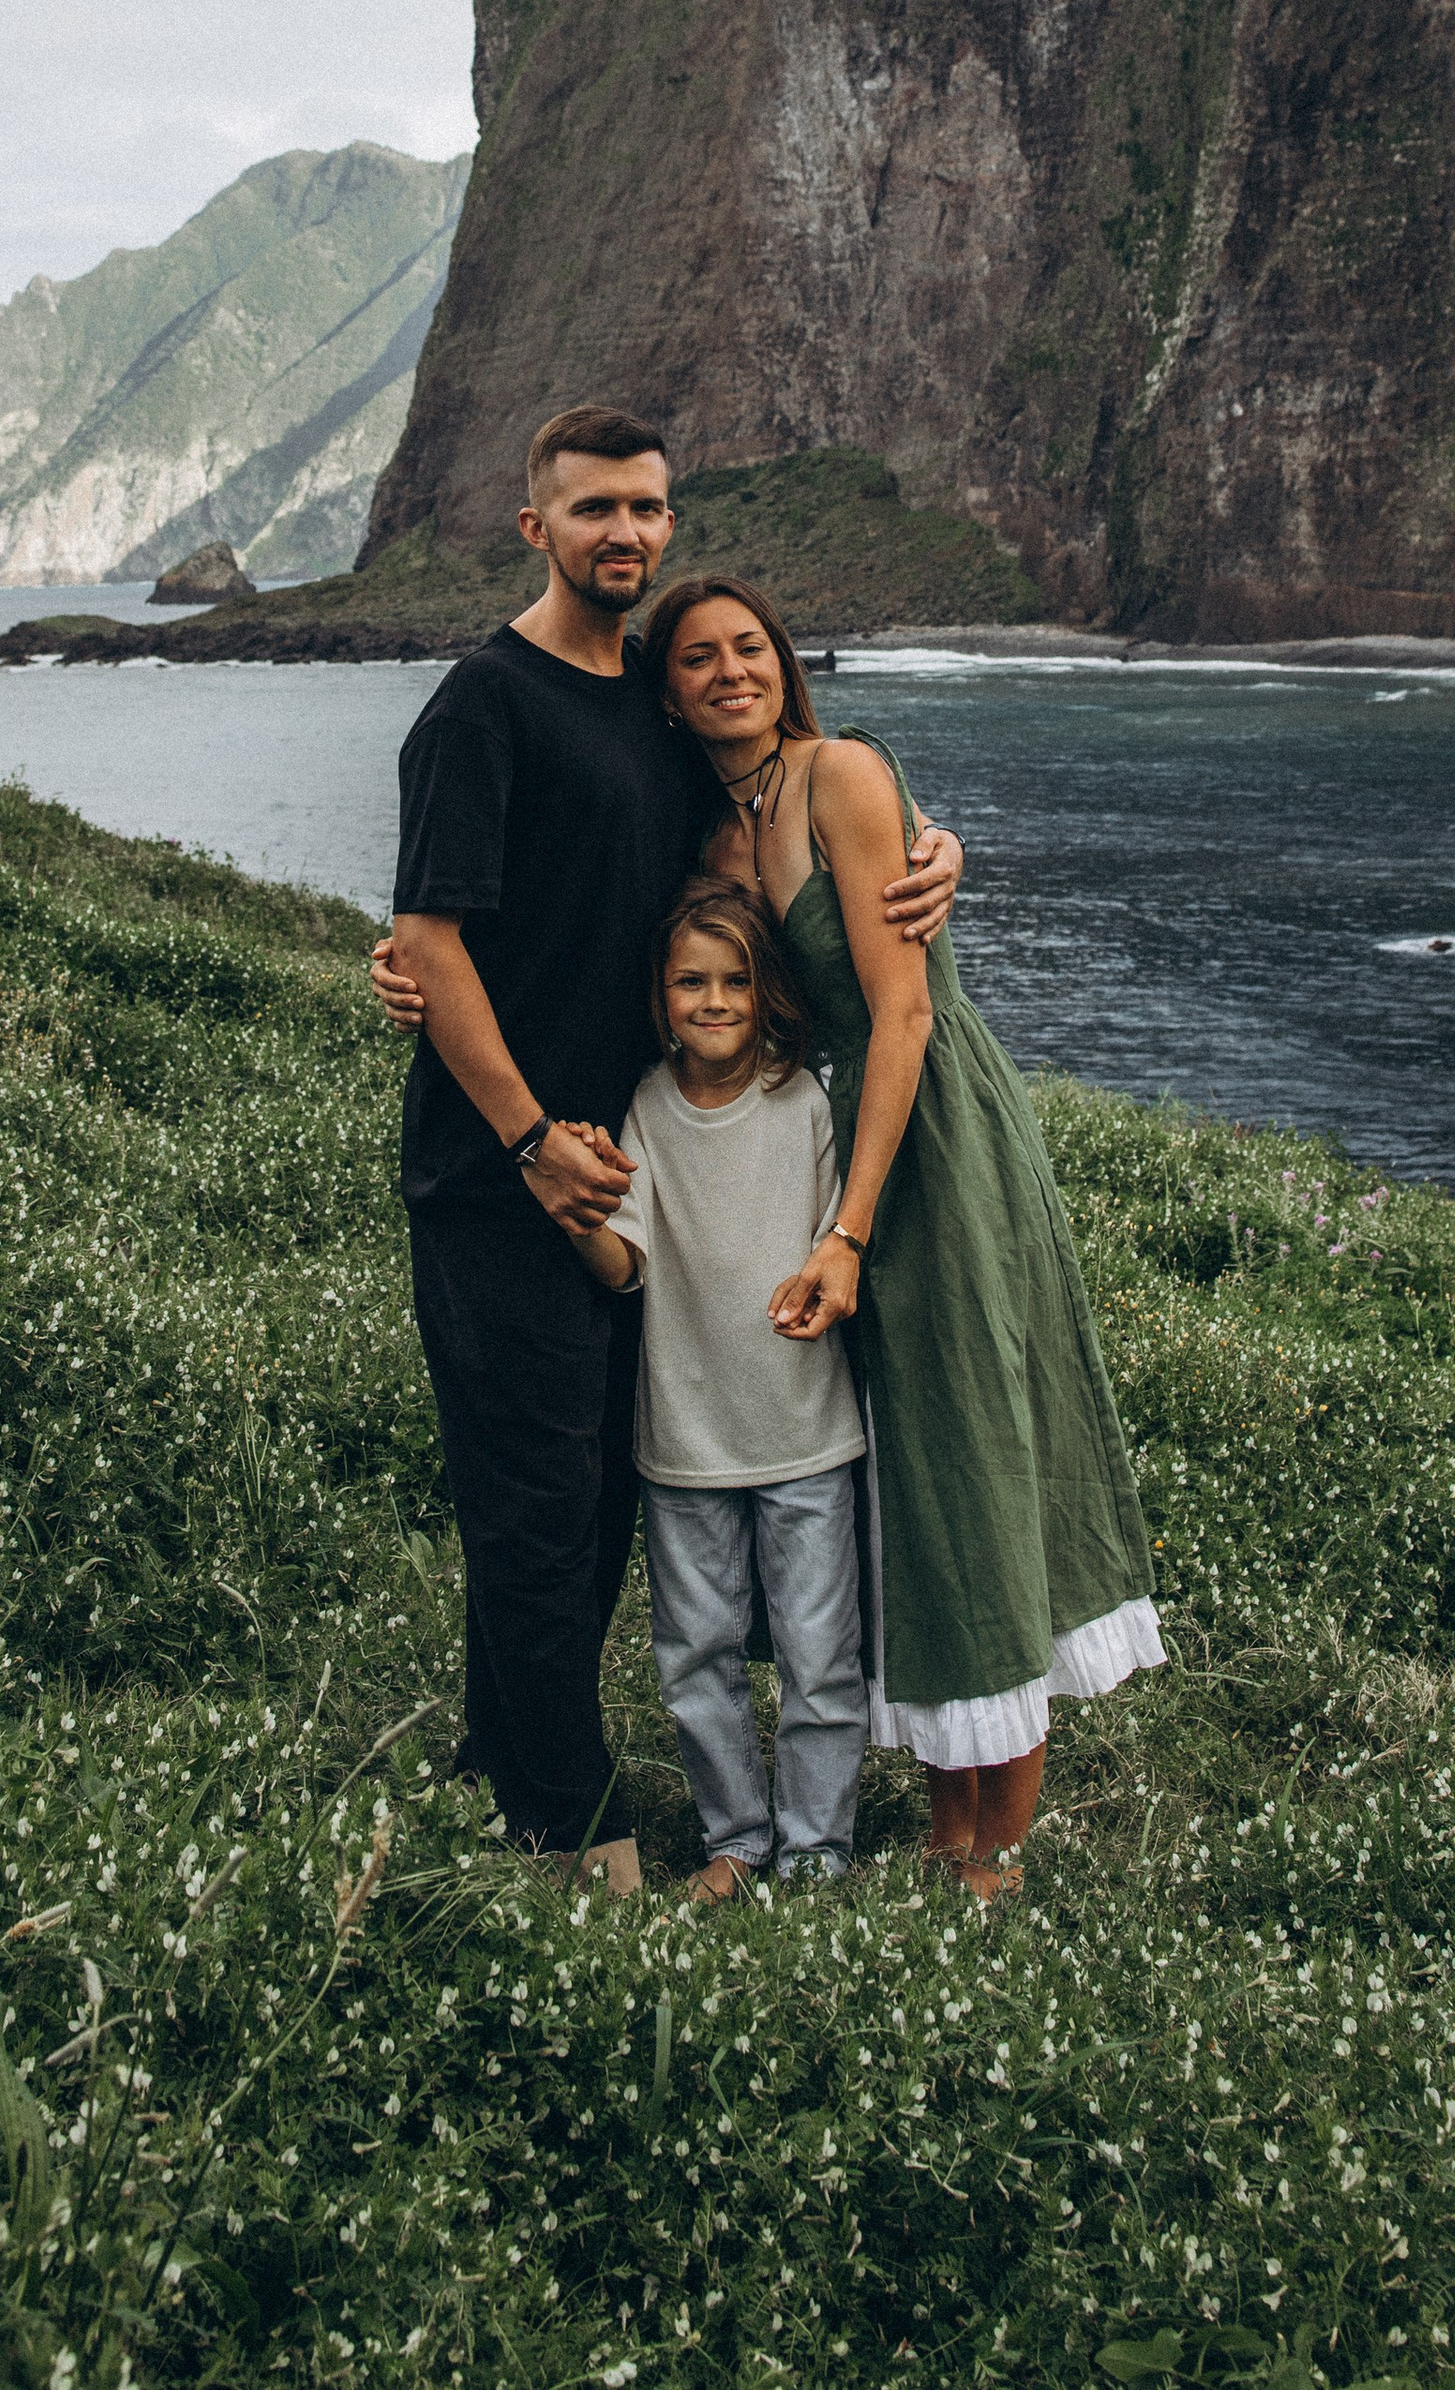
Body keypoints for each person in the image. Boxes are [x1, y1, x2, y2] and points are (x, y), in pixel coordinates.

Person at [380, 407, 961, 1887]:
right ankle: (575, 1836)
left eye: (646, 510)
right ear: (537, 529)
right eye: (593, 513)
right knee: (536, 1503)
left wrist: (938, 847)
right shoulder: (480, 708)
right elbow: (430, 941)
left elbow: (790, 791)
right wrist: (524, 1142)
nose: (623, 534)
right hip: (498, 1182)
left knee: (590, 1510)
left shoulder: (645, 699)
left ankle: (499, 1763)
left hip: (638, 1169)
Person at [639, 571, 1164, 1902]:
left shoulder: (844, 777)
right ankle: (944, 1821)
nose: (730, 672)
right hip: (848, 1150)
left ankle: (994, 1850)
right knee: (910, 1482)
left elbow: (908, 1016)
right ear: (667, 689)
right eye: (698, 658)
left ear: (784, 661)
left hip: (934, 1141)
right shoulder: (709, 845)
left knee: (980, 1451)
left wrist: (851, 1232)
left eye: (749, 647)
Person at [564, 876, 867, 1899]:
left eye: (736, 979)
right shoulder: (647, 1105)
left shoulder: (804, 1101)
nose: (714, 1000)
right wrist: (575, 1218)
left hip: (807, 1435)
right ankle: (735, 1842)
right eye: (690, 981)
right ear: (661, 994)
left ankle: (818, 1849)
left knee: (821, 1657)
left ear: (765, 989)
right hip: (686, 1440)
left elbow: (838, 1244)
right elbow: (628, 1263)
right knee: (697, 1655)